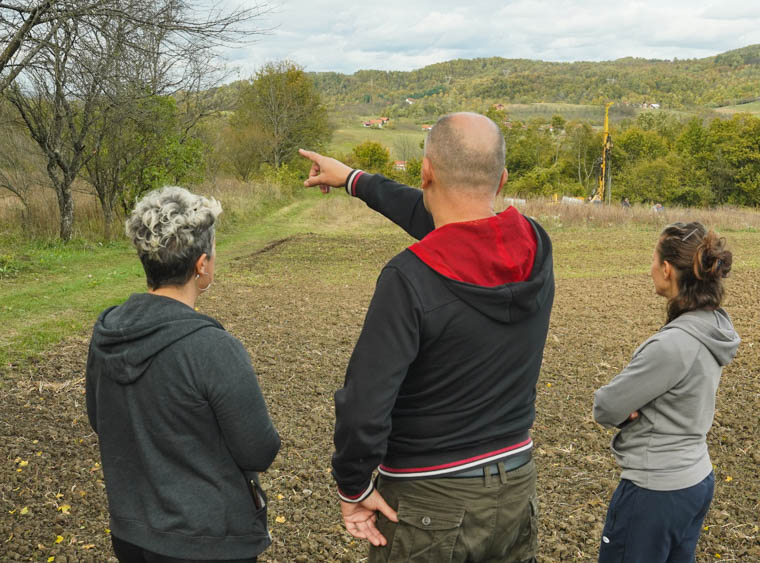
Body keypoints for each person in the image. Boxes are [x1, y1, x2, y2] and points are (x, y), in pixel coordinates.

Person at [299, 111, 554, 563]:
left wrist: (353, 486)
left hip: (429, 501)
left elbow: (364, 405)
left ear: (426, 172)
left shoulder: (409, 277)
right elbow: (456, 230)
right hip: (517, 489)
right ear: (502, 179)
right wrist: (354, 180)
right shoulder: (535, 245)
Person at [86, 186, 281, 563]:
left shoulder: (107, 333)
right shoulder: (214, 349)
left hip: (132, 533)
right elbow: (259, 449)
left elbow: (101, 419)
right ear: (202, 264)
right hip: (207, 541)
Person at [593, 222, 740, 563]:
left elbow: (606, 406)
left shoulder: (672, 345)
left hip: (655, 490)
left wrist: (632, 407)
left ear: (667, 269)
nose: (650, 269)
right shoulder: (715, 325)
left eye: (653, 259)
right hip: (696, 480)